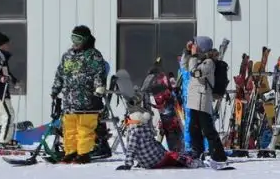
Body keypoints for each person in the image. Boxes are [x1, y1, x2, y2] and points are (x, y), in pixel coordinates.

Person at [52, 25, 109, 163]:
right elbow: (60, 74)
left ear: (86, 40)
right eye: (73, 38)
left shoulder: (93, 55)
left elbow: (99, 73)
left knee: (84, 129)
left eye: (78, 39)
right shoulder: (67, 56)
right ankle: (70, 152)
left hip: (88, 100)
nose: (74, 42)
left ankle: (83, 154)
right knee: (69, 129)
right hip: (69, 100)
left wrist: (99, 88)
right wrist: (56, 89)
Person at [184, 36, 229, 165]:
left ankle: (219, 156)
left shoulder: (209, 62)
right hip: (195, 99)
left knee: (207, 128)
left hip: (201, 99)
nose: (194, 46)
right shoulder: (200, 59)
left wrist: (193, 56)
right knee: (194, 128)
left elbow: (195, 72)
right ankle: (197, 152)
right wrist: (188, 53)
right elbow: (185, 65)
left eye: (196, 44)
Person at [119, 101, 198, 169]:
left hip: (147, 163)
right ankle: (190, 159)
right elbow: (133, 149)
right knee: (172, 156)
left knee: (170, 157)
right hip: (157, 159)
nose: (127, 124)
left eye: (128, 122)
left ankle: (188, 157)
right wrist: (128, 165)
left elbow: (132, 149)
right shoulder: (145, 130)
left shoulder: (133, 132)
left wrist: (129, 164)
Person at [143, 64, 186, 151]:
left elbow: (164, 90)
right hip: (164, 105)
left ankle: (173, 146)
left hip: (163, 105)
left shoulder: (157, 78)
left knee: (168, 126)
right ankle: (174, 147)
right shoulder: (159, 78)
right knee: (168, 126)